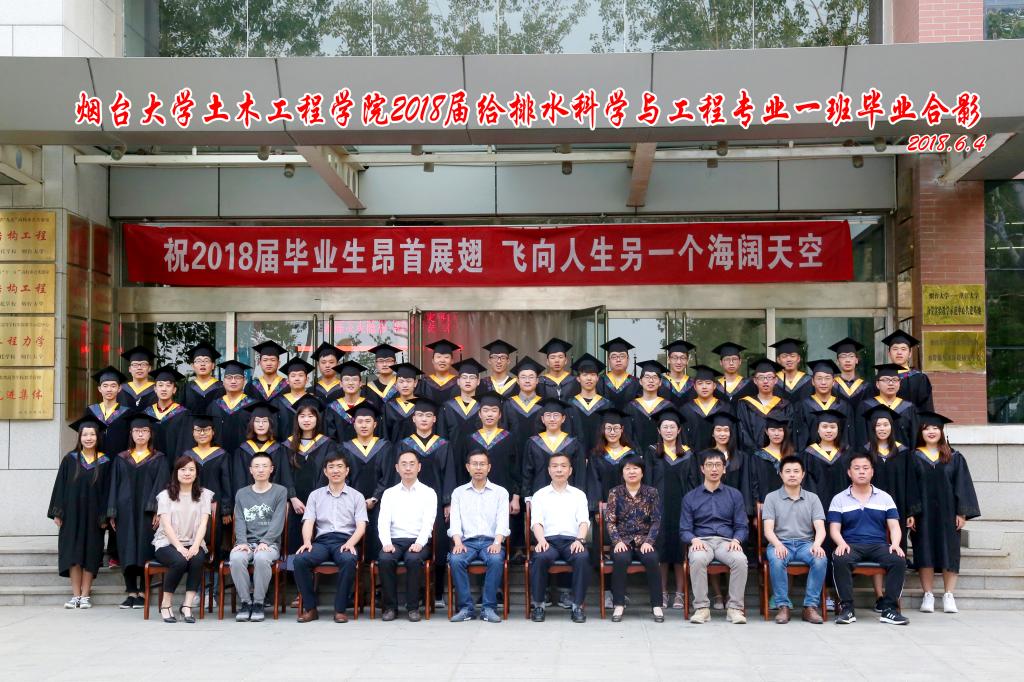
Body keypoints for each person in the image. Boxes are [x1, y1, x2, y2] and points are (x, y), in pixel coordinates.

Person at [910, 411, 980, 615]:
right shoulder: (913, 457)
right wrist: (910, 512)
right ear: (920, 432)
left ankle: (949, 595)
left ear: (941, 431)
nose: (931, 432)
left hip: (948, 513)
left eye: (935, 428)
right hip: (922, 514)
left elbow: (962, 485)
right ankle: (928, 595)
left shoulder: (954, 457)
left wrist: (962, 513)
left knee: (950, 551)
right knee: (924, 550)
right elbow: (910, 487)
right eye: (927, 429)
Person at [829, 452, 909, 625]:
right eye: (857, 468)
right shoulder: (839, 499)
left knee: (898, 559)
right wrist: (841, 543)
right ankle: (847, 609)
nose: (861, 472)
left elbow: (894, 526)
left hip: (878, 545)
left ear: (872, 472)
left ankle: (889, 609)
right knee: (840, 558)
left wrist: (895, 544)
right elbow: (834, 528)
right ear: (849, 472)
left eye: (865, 468)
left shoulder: (885, 497)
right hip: (851, 544)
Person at [294, 451, 368, 623]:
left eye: (340, 466)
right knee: (300, 560)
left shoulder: (356, 496)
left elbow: (361, 526)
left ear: (347, 471)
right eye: (331, 467)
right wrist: (307, 542)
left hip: (345, 540)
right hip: (322, 542)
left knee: (349, 560)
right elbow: (308, 521)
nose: (336, 470)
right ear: (325, 471)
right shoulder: (315, 495)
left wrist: (351, 543)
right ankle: (311, 609)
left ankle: (340, 610)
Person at [395, 397, 456, 606]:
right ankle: (416, 593)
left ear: (434, 419)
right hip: (409, 501)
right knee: (413, 544)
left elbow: (449, 474)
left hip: (436, 502)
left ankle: (437, 593)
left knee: (439, 544)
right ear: (413, 418)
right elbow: (398, 475)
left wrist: (448, 502)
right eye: (420, 415)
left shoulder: (443, 444)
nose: (424, 419)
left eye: (428, 415)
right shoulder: (404, 445)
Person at [48, 416, 113, 609]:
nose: (89, 438)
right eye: (85, 434)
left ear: (98, 437)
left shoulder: (105, 461)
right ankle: (75, 595)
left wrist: (105, 515)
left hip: (94, 516)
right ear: (80, 437)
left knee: (90, 553)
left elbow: (108, 491)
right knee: (73, 553)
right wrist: (58, 512)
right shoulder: (70, 459)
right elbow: (60, 487)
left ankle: (85, 595)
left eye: (92, 434)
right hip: (72, 515)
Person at [679, 449, 749, 624]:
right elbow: (684, 529)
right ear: (702, 469)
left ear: (724, 469)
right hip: (701, 541)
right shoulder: (690, 497)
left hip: (727, 542)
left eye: (718, 465)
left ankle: (735, 609)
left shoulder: (734, 495)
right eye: (709, 465)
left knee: (740, 560)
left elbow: (742, 526)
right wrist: (693, 539)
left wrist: (737, 540)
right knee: (697, 558)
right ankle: (702, 609)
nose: (714, 469)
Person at [106, 413, 168, 609]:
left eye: (144, 431)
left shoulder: (159, 458)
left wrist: (157, 510)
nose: (140, 434)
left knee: (144, 548)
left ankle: (143, 592)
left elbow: (162, 486)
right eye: (137, 431)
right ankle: (131, 591)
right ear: (131, 434)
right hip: (124, 511)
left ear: (150, 434)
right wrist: (112, 511)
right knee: (127, 549)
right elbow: (114, 485)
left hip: (147, 512)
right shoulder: (121, 458)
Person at [865, 404, 920, 608]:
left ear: (891, 426)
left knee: (897, 549)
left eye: (885, 424)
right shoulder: (865, 451)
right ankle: (879, 595)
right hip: (871, 509)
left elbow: (910, 482)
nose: (882, 428)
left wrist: (911, 510)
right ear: (872, 427)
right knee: (877, 548)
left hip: (898, 508)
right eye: (878, 425)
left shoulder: (903, 451)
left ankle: (894, 595)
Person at [761, 455, 827, 624]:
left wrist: (817, 544)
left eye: (796, 471)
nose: (792, 475)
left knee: (820, 559)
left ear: (803, 474)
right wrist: (777, 544)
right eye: (788, 471)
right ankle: (783, 606)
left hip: (806, 544)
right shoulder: (771, 498)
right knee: (777, 560)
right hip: (780, 543)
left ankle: (810, 607)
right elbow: (768, 530)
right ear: (780, 474)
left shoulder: (812, 498)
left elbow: (820, 528)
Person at [448, 449, 511, 623]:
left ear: (489, 467)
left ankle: (488, 608)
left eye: (482, 464)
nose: (478, 468)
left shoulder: (500, 492)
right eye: (474, 464)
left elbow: (503, 522)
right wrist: (457, 542)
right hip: (466, 542)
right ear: (468, 467)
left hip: (491, 541)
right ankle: (466, 608)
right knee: (455, 560)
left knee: (496, 559)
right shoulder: (458, 492)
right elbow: (455, 521)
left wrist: (497, 542)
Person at [529, 453, 591, 623]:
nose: (559, 470)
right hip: (548, 541)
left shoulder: (578, 495)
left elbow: (584, 521)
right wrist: (541, 541)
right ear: (549, 470)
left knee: (582, 557)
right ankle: (539, 605)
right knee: (540, 557)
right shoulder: (540, 495)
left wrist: (580, 540)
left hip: (572, 541)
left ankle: (577, 606)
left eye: (563, 466)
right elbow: (536, 522)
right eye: (555, 466)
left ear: (570, 470)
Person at [377, 450, 438, 622]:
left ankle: (413, 608)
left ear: (419, 467)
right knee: (385, 559)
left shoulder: (428, 492)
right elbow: (383, 521)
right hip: (395, 541)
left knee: (413, 559)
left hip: (418, 541)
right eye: (404, 464)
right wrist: (386, 543)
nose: (408, 468)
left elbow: (428, 522)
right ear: (397, 468)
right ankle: (390, 608)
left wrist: (419, 543)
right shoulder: (389, 493)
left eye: (412, 464)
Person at [152, 455, 213, 624]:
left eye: (191, 470)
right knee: (179, 561)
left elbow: (204, 523)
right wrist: (179, 547)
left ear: (196, 473)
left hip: (194, 541)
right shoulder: (165, 496)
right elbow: (166, 526)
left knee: (197, 558)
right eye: (183, 469)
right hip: (167, 542)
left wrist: (195, 546)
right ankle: (166, 604)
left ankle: (187, 606)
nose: (187, 473)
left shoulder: (204, 495)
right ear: (176, 472)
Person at [647, 408, 697, 610]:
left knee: (680, 550)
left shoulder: (688, 454)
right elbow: (647, 481)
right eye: (665, 427)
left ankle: (680, 593)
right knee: (660, 550)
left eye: (672, 427)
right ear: (659, 430)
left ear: (679, 430)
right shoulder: (652, 452)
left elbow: (693, 483)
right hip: (658, 509)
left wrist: (693, 509)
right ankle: (662, 593)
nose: (668, 430)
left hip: (682, 509)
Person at [230, 451, 288, 622]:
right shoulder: (242, 493)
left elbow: (278, 520)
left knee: (262, 558)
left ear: (271, 469)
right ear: (250, 470)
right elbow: (239, 519)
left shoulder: (280, 491)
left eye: (264, 466)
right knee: (236, 557)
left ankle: (258, 603)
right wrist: (242, 542)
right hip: (246, 542)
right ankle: (245, 602)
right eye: (256, 466)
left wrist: (266, 542)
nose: (260, 470)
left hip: (270, 544)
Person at [605, 455, 664, 622]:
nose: (632, 472)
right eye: (628, 469)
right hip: (622, 541)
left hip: (644, 541)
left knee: (652, 559)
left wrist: (649, 542)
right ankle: (618, 604)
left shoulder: (651, 492)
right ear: (622, 473)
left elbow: (656, 520)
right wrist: (617, 541)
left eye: (635, 468)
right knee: (621, 559)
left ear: (642, 472)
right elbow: (610, 520)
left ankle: (657, 605)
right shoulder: (615, 492)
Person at [284, 395, 336, 557]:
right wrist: (292, 497)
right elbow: (285, 473)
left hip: (321, 500)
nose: (306, 420)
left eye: (311, 416)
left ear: (317, 419)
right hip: (295, 502)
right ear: (297, 419)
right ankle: (292, 568)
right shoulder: (287, 445)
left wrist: (317, 499)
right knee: (294, 534)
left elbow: (329, 473)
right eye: (302, 416)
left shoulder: (327, 444)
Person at [522, 397, 588, 502]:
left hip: (568, 497)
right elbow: (527, 471)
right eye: (548, 415)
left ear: (563, 419)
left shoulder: (573, 443)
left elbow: (579, 473)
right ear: (543, 419)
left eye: (556, 415)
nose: (552, 419)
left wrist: (579, 495)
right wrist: (527, 496)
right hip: (539, 496)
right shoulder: (533, 443)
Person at [232, 401, 291, 500]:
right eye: (257, 421)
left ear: (270, 424)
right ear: (252, 424)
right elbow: (239, 479)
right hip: (248, 500)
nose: (261, 425)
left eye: (264, 421)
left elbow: (285, 476)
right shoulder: (242, 450)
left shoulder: (279, 449)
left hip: (274, 499)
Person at [792, 358, 854, 451]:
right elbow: (800, 438)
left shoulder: (844, 406)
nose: (823, 382)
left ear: (833, 382)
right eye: (819, 378)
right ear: (813, 382)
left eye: (827, 378)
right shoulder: (803, 406)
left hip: (838, 456)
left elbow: (847, 436)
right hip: (810, 455)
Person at [855, 363, 919, 447]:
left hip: (903, 454)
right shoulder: (865, 407)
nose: (891, 383)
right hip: (873, 454)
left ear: (899, 383)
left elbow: (914, 438)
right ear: (877, 384)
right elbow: (861, 437)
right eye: (885, 380)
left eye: (895, 380)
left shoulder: (909, 408)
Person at [736, 358, 792, 454]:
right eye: (761, 377)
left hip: (779, 455)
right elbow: (742, 432)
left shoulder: (785, 405)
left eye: (769, 377)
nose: (765, 381)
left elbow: (789, 431)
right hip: (752, 456)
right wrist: (757, 454)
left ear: (775, 380)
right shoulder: (745, 404)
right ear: (755, 380)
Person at [588, 408, 638, 513]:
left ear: (622, 429)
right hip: (604, 509)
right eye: (608, 428)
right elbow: (594, 483)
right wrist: (597, 509)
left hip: (629, 509)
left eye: (616, 428)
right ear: (603, 430)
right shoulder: (596, 455)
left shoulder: (631, 454)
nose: (612, 432)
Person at [141, 366, 190, 471]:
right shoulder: (146, 414)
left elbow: (184, 444)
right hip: (149, 467)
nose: (164, 389)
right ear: (155, 389)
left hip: (174, 467)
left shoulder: (183, 414)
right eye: (160, 385)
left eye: (168, 385)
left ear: (174, 390)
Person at [565, 353, 612, 455]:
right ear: (578, 378)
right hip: (576, 455)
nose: (589, 378)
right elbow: (568, 434)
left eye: (593, 374)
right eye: (585, 375)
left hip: (601, 455)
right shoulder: (570, 404)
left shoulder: (606, 405)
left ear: (597, 378)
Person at [209, 359, 256, 456]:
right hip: (218, 457)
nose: (233, 381)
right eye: (229, 377)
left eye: (238, 377)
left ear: (244, 381)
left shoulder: (253, 405)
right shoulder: (214, 406)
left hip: (246, 457)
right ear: (223, 381)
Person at [625, 359, 674, 453]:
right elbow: (627, 435)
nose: (651, 380)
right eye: (647, 377)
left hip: (662, 456)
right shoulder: (630, 408)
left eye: (655, 377)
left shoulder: (668, 407)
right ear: (640, 381)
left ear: (660, 382)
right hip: (636, 457)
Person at [438, 357, 485, 451]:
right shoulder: (447, 408)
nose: (468, 381)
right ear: (458, 381)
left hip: (478, 457)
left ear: (478, 381)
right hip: (452, 456)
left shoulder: (483, 408)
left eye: (472, 377)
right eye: (464, 377)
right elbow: (442, 437)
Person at [87, 366, 133, 461]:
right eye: (105, 386)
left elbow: (130, 441)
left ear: (119, 388)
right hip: (95, 462)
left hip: (118, 461)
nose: (109, 389)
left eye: (113, 386)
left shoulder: (127, 413)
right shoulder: (91, 411)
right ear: (99, 389)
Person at [680, 365, 730, 451]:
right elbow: (683, 438)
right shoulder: (686, 410)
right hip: (692, 456)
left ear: (714, 386)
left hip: (719, 456)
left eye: (708, 383)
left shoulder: (725, 408)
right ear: (695, 387)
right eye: (700, 383)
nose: (704, 387)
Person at [882, 330, 934, 412]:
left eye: (903, 349)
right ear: (889, 354)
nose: (899, 352)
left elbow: (927, 408)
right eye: (895, 349)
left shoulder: (920, 379)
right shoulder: (881, 379)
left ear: (910, 354)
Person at [503, 356, 546, 454]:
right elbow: (504, 431)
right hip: (514, 454)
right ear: (517, 381)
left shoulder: (543, 404)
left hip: (538, 454)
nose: (527, 380)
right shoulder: (508, 404)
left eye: (531, 377)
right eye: (523, 377)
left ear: (537, 381)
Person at [749, 416, 795, 506]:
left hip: (791, 503)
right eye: (772, 430)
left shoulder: (793, 456)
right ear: (766, 432)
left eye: (780, 430)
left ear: (784, 432)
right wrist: (757, 502)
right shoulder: (758, 456)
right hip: (766, 504)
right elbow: (754, 481)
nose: (776, 434)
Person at [324, 360, 372, 442]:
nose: (350, 383)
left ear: (360, 383)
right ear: (341, 384)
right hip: (338, 450)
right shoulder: (333, 408)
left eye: (354, 379)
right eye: (346, 379)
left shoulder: (369, 406)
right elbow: (330, 439)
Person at [274, 356, 315, 440]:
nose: (297, 379)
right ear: (287, 381)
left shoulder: (315, 401)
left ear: (307, 379)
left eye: (300, 375)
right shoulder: (278, 403)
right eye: (293, 376)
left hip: (311, 446)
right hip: (284, 446)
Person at [180, 341, 225, 415]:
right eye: (198, 361)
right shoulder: (186, 388)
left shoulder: (222, 387)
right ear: (193, 366)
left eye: (206, 361)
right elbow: (182, 414)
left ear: (213, 365)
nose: (202, 364)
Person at [383, 362, 421, 443]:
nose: (405, 385)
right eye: (401, 381)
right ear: (396, 384)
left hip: (418, 450)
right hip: (395, 449)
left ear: (415, 383)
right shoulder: (389, 407)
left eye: (408, 381)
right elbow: (385, 434)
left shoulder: (422, 405)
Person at [598, 337, 640, 410]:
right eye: (614, 357)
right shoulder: (600, 382)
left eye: (622, 356)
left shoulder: (637, 383)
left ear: (628, 359)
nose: (618, 360)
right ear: (609, 360)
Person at [829, 337, 869, 413]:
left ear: (856, 360)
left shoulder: (866, 387)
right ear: (837, 361)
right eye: (843, 356)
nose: (847, 360)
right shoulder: (831, 386)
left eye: (851, 356)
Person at [419, 339, 461, 405]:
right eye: (438, 357)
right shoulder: (424, 383)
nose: (442, 360)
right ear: (433, 361)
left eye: (446, 357)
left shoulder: (459, 383)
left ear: (452, 361)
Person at [711, 341, 755, 405]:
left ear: (740, 361)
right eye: (727, 359)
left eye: (734, 359)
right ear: (721, 362)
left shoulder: (750, 384)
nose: (731, 363)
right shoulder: (714, 387)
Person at [771, 338, 813, 403]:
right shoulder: (772, 381)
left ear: (798, 358)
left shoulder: (809, 380)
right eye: (784, 356)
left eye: (792, 356)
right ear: (778, 360)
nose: (789, 359)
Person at [363, 343, 403, 408]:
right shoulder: (367, 389)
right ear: (376, 364)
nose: (384, 364)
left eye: (388, 360)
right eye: (381, 361)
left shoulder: (403, 386)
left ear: (395, 364)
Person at [659, 339, 696, 408]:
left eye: (683, 358)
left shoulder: (694, 384)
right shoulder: (660, 382)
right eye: (675, 357)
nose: (679, 362)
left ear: (687, 361)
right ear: (668, 360)